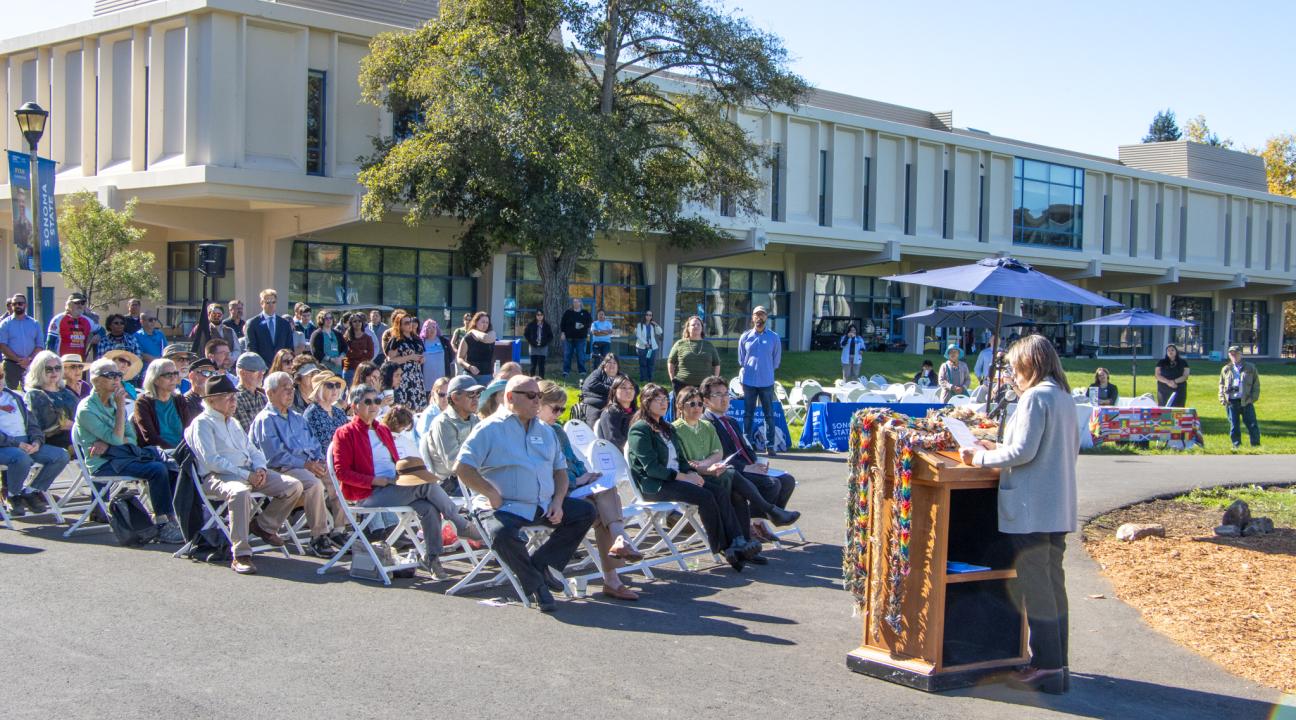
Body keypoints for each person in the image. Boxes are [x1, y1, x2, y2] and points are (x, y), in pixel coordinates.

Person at [959, 335, 1078, 695]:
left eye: (1013, 366)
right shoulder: (1063, 396)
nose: (1011, 374)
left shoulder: (1035, 397)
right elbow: (1047, 448)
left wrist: (979, 457)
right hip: (1056, 505)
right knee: (1053, 586)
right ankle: (1057, 663)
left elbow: (1024, 453)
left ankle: (1045, 666)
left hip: (1031, 506)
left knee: (1036, 587)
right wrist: (1000, 447)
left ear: (1030, 363)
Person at [455, 375, 597, 611]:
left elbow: (560, 471)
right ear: (510, 397)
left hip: (541, 504)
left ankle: (542, 564)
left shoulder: (545, 430)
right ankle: (536, 586)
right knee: (501, 534)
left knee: (585, 512)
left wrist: (558, 502)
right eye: (531, 396)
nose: (537, 401)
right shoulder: (490, 428)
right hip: (503, 506)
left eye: (539, 396)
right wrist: (489, 492)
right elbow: (462, 467)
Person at [332, 383, 479, 578]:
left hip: (394, 486)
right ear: (354, 406)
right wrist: (374, 480)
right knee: (426, 486)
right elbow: (342, 473)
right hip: (367, 493)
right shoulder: (345, 433)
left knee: (429, 508)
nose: (374, 406)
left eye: (376, 401)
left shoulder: (382, 430)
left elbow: (397, 461)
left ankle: (432, 558)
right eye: (367, 402)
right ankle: (461, 524)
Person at [627, 383, 756, 571]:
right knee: (705, 497)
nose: (663, 404)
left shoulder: (666, 428)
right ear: (646, 403)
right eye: (658, 400)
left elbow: (681, 460)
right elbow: (651, 468)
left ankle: (737, 541)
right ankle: (723, 547)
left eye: (665, 399)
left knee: (718, 491)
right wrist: (683, 477)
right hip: (655, 485)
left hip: (676, 479)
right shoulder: (640, 429)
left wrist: (693, 474)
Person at [186, 375, 304, 575]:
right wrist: (245, 474)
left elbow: (253, 449)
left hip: (247, 472)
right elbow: (211, 461)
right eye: (228, 397)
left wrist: (260, 468)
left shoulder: (233, 422)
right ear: (211, 400)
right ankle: (240, 554)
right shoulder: (202, 424)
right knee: (240, 492)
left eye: (234, 397)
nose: (234, 401)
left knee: (293, 486)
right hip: (218, 477)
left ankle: (264, 526)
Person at [538, 380, 643, 600]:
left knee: (604, 493)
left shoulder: (557, 430)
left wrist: (586, 475)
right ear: (538, 404)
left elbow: (575, 462)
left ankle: (617, 550)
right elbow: (547, 472)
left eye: (563, 409)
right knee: (604, 503)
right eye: (555, 408)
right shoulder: (534, 434)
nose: (559, 414)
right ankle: (616, 562)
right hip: (555, 495)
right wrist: (579, 479)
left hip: (575, 489)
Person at [74, 359, 183, 543]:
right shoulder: (87, 409)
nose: (117, 379)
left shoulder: (114, 403)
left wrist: (110, 443)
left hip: (123, 456)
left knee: (170, 464)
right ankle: (163, 522)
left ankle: (176, 517)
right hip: (104, 464)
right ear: (95, 380)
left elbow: (130, 438)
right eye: (110, 375)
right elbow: (119, 438)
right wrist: (116, 433)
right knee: (157, 470)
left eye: (119, 375)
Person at [671, 385, 774, 565]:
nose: (697, 408)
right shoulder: (675, 429)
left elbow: (718, 452)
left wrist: (708, 464)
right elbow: (682, 462)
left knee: (736, 492)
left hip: (713, 471)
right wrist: (704, 468)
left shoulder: (706, 426)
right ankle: (749, 531)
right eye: (691, 404)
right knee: (730, 481)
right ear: (680, 406)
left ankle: (743, 543)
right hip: (693, 476)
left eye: (699, 404)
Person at [250, 371, 346, 557]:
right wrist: (306, 464)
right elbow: (274, 456)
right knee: (313, 483)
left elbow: (314, 443)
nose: (290, 392)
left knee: (337, 478)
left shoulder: (296, 417)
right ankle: (319, 536)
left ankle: (339, 530)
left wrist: (318, 461)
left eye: (291, 388)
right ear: (270, 393)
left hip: (307, 465)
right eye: (284, 389)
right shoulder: (266, 419)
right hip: (279, 469)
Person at [700, 375, 799, 540]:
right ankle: (753, 524)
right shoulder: (706, 424)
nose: (724, 399)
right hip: (730, 471)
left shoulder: (730, 421)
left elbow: (745, 446)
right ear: (706, 401)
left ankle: (759, 522)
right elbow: (717, 456)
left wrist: (757, 462)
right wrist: (746, 467)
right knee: (771, 484)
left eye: (726, 394)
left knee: (787, 480)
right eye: (718, 395)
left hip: (748, 466)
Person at [1, 373, 70, 517]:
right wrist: (17, 443)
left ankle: (31, 491)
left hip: (26, 443)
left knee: (61, 455)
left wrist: (37, 441)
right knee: (21, 458)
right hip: (5, 446)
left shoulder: (15, 397)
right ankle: (13, 495)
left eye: (0, 376)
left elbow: (32, 423)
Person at [423, 375, 481, 495]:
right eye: (471, 394)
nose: (475, 399)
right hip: (451, 486)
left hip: (471, 479)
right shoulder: (443, 423)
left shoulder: (474, 419)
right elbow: (455, 465)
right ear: (455, 398)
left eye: (478, 394)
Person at [737, 306, 782, 455]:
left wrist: (766, 370)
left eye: (762, 315)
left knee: (768, 415)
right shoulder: (745, 337)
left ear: (766, 318)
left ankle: (770, 446)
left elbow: (776, 361)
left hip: (767, 382)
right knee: (748, 414)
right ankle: (747, 445)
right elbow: (742, 360)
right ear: (752, 318)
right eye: (756, 315)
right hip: (749, 382)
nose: (759, 318)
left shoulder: (774, 337)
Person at [132, 358, 198, 450]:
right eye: (168, 375)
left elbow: (189, 430)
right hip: (158, 453)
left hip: (184, 451)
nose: (173, 378)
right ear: (154, 379)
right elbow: (150, 438)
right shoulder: (143, 403)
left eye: (175, 373)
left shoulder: (179, 399)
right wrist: (175, 452)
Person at [24, 350, 80, 450]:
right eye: (49, 369)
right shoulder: (35, 394)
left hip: (77, 437)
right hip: (53, 443)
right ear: (39, 371)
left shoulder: (67, 392)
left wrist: (75, 425)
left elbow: (81, 416)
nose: (54, 372)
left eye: (57, 368)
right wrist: (79, 426)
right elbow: (52, 426)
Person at [1218, 345, 1260, 449]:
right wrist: (1222, 398)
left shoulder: (1250, 367)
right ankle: (1236, 445)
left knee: (1252, 424)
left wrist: (1252, 398)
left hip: (1246, 400)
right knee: (1234, 425)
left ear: (1241, 354)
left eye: (1236, 353)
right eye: (1231, 354)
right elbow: (1221, 384)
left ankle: (1255, 445)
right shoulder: (1226, 369)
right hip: (1231, 401)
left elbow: (1256, 385)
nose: (1234, 356)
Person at [384, 310, 428, 411]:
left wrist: (422, 359)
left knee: (418, 405)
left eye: (411, 321)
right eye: (406, 323)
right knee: (404, 406)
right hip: (403, 377)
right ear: (399, 325)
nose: (410, 324)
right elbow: (391, 360)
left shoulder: (416, 338)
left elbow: (422, 354)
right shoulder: (397, 340)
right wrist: (410, 357)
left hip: (416, 377)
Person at [667, 315, 721, 392]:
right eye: (693, 325)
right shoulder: (679, 344)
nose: (696, 326)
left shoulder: (709, 345)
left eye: (698, 324)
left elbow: (717, 364)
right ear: (688, 328)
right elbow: (670, 362)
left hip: (705, 386)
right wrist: (672, 379)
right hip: (681, 385)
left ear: (702, 328)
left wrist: (715, 380)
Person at [0, 293, 43, 390]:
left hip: (31, 364)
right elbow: (2, 346)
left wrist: (29, 359)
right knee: (12, 394)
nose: (17, 306)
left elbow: (40, 345)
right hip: (11, 365)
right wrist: (18, 360)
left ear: (26, 305)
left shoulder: (35, 324)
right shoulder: (5, 324)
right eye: (14, 304)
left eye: (20, 303)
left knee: (32, 392)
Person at [245, 289, 295, 366]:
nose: (271, 305)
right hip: (261, 369)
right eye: (267, 302)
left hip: (281, 367)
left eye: (273, 302)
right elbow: (251, 350)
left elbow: (289, 348)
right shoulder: (252, 324)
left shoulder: (284, 324)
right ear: (261, 303)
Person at [304, 371, 349, 456]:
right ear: (320, 389)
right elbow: (312, 448)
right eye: (330, 386)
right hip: (323, 463)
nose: (335, 389)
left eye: (337, 385)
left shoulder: (339, 412)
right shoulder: (311, 414)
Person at [46, 293, 98, 360]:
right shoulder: (58, 319)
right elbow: (50, 342)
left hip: (80, 363)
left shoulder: (87, 321)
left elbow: (101, 330)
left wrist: (98, 335)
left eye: (82, 303)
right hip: (62, 363)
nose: (80, 305)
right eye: (77, 302)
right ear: (69, 304)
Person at [594, 374, 637, 450]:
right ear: (614, 391)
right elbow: (615, 442)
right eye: (623, 388)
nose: (628, 391)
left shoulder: (638, 413)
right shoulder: (609, 414)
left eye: (631, 388)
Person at [579, 353, 623, 425]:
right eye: (609, 362)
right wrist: (613, 390)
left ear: (618, 366)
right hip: (596, 404)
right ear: (604, 365)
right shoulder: (598, 373)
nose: (612, 365)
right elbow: (592, 384)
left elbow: (634, 388)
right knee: (596, 419)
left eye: (614, 363)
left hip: (616, 405)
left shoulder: (621, 376)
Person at [455, 311, 496, 386]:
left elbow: (485, 338)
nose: (485, 324)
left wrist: (473, 331)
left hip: (486, 376)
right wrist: (469, 367)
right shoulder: (467, 338)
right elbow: (459, 358)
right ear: (476, 322)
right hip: (470, 375)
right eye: (483, 322)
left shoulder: (491, 334)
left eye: (487, 322)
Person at [232, 352, 269, 432]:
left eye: (262, 372)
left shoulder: (263, 398)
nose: (261, 376)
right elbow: (247, 431)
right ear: (242, 373)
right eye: (256, 372)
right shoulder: (234, 399)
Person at [560, 298, 592, 378]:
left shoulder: (585, 313)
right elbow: (562, 323)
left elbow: (589, 323)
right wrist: (563, 333)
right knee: (567, 355)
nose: (575, 303)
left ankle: (582, 371)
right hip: (568, 338)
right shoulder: (568, 312)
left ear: (580, 303)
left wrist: (583, 325)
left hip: (581, 338)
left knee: (581, 355)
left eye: (577, 302)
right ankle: (566, 371)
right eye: (574, 302)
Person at [309, 310, 346, 375]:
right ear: (321, 320)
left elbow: (345, 347)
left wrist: (340, 358)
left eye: (330, 318)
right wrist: (331, 359)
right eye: (326, 318)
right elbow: (315, 352)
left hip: (338, 369)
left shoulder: (337, 333)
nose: (329, 320)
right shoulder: (317, 334)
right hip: (323, 369)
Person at [341, 313, 375, 384]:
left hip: (363, 369)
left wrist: (355, 352)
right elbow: (346, 353)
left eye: (359, 321)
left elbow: (370, 355)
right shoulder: (346, 338)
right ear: (351, 323)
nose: (357, 323)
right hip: (349, 369)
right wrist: (362, 351)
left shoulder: (367, 338)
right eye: (355, 321)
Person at [420, 318, 451, 393]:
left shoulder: (444, 341)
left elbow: (450, 356)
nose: (432, 330)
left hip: (442, 379)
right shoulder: (420, 342)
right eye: (429, 328)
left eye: (434, 327)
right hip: (426, 380)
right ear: (425, 329)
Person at [1154, 343, 1190, 408]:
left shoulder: (1183, 362)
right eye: (1168, 350)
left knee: (1178, 406)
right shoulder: (1161, 362)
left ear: (1176, 351)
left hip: (1179, 387)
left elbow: (1185, 376)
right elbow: (1157, 375)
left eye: (1172, 350)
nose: (1170, 352)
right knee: (1163, 406)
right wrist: (1168, 382)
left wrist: (1174, 382)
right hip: (1163, 388)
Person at [633, 310, 663, 382]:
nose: (648, 316)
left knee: (650, 363)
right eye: (647, 315)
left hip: (651, 348)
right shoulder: (640, 325)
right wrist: (645, 343)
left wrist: (656, 324)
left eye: (650, 315)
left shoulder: (652, 325)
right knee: (643, 363)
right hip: (642, 347)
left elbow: (660, 332)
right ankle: (643, 379)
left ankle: (650, 379)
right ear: (644, 315)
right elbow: (638, 335)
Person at [523, 310, 554, 379]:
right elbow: (526, 334)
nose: (539, 316)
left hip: (543, 348)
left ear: (543, 316)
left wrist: (545, 342)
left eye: (541, 315)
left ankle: (541, 380)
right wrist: (531, 342)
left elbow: (551, 336)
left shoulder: (547, 325)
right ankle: (531, 380)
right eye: (538, 315)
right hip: (533, 347)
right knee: (533, 365)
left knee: (541, 365)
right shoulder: (531, 324)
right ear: (536, 316)